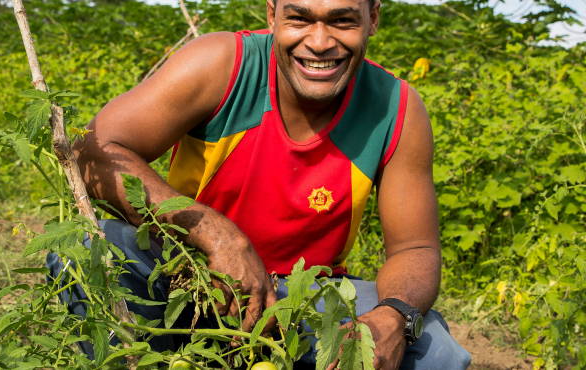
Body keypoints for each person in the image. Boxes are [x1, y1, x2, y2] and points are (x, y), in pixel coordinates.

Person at [52, 0, 472, 368]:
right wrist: (216, 237)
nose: (320, 42)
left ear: (373, 18)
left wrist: (392, 316)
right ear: (272, 15)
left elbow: (415, 248)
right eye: (300, 18)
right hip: (187, 275)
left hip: (302, 300)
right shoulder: (222, 64)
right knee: (88, 249)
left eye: (342, 21)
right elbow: (95, 150)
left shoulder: (397, 109)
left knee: (436, 352)